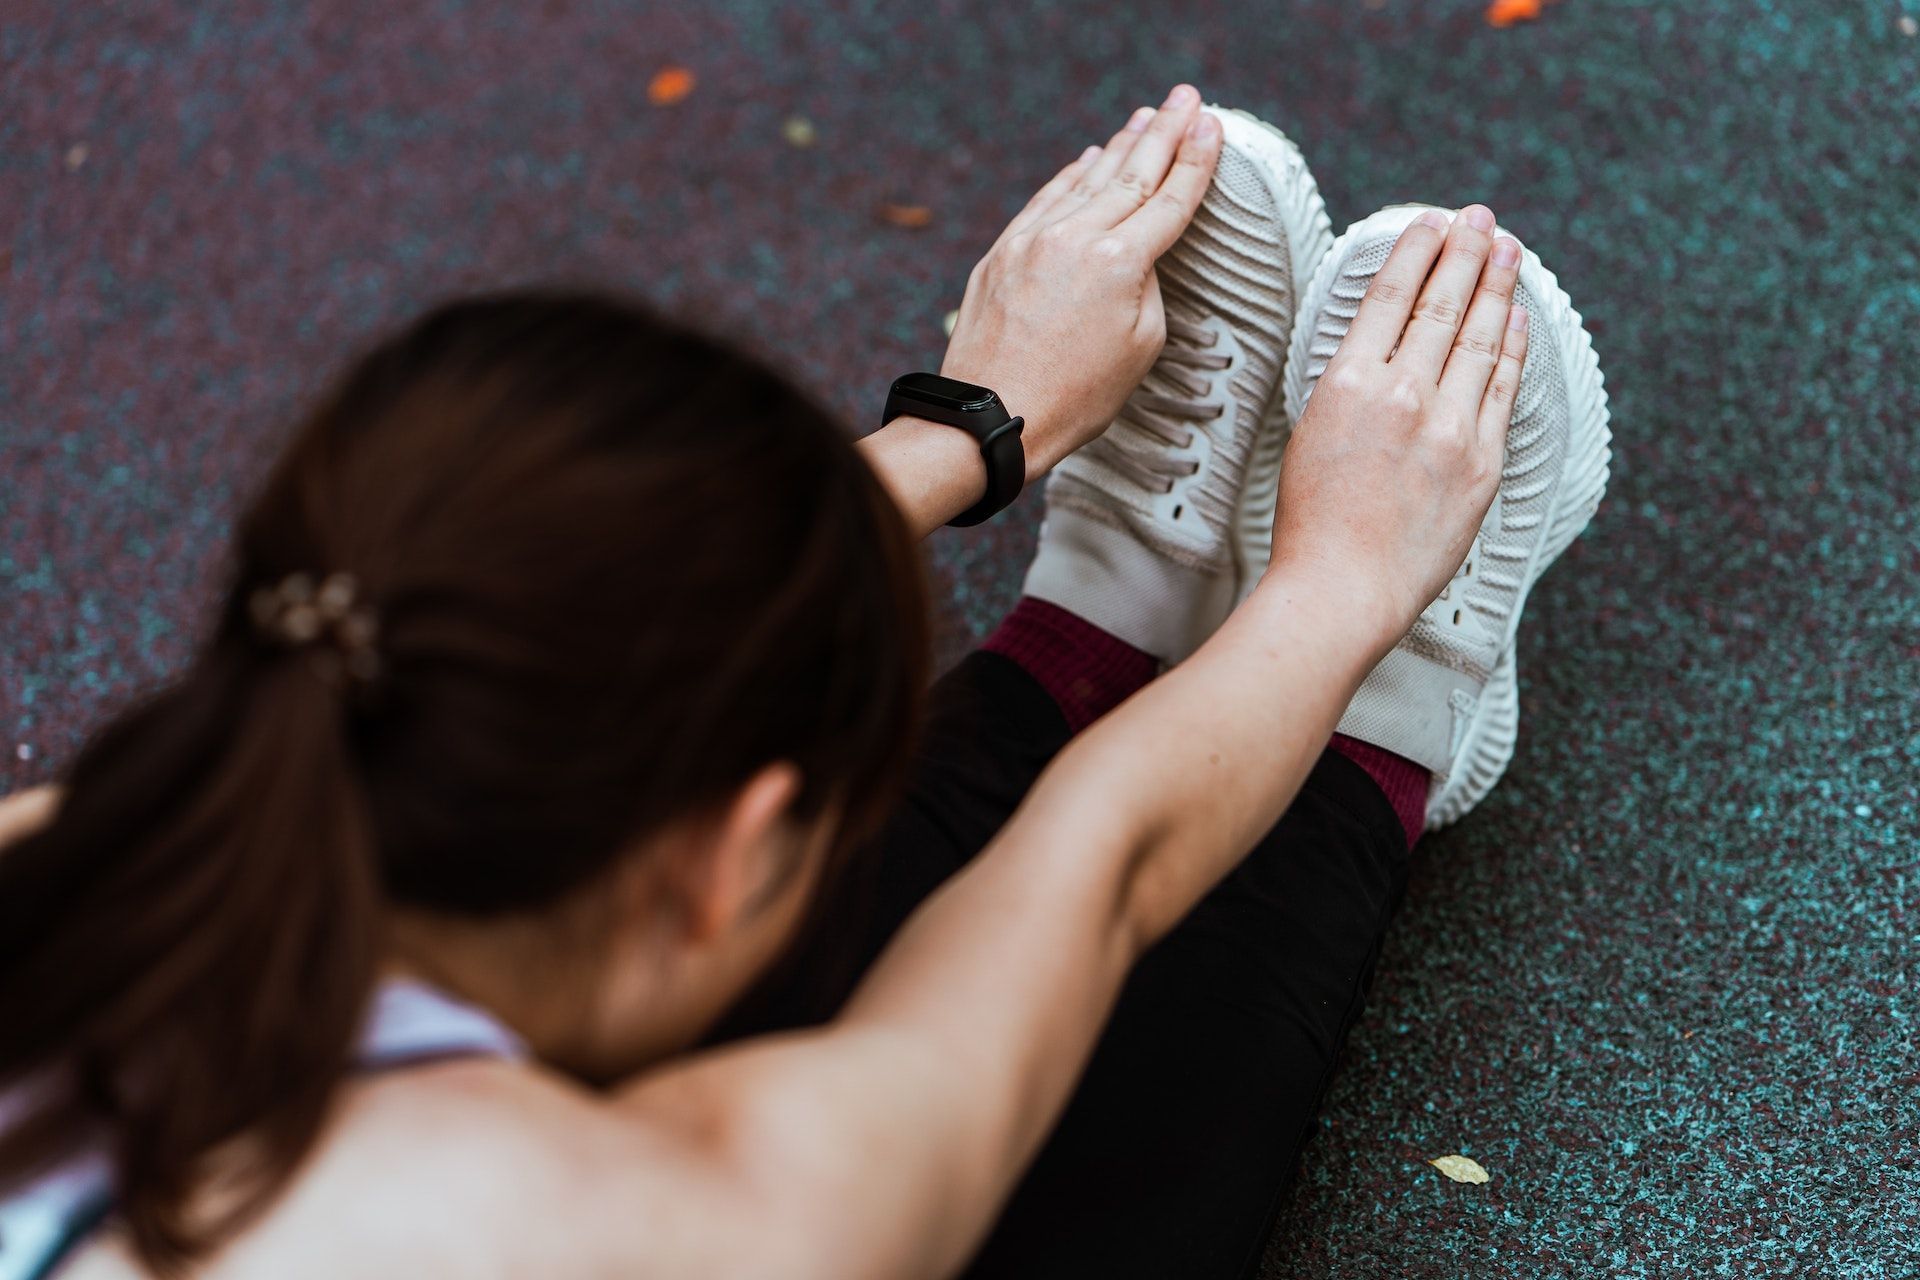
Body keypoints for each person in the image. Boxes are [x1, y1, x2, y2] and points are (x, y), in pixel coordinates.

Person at [0, 83, 1608, 1280]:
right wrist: (1344, 583)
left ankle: (1106, 632)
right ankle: (1372, 743)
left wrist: (970, 427)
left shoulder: (83, 849)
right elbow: (1094, 877)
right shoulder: (585, 1228)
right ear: (726, 859)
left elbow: (445, 648)